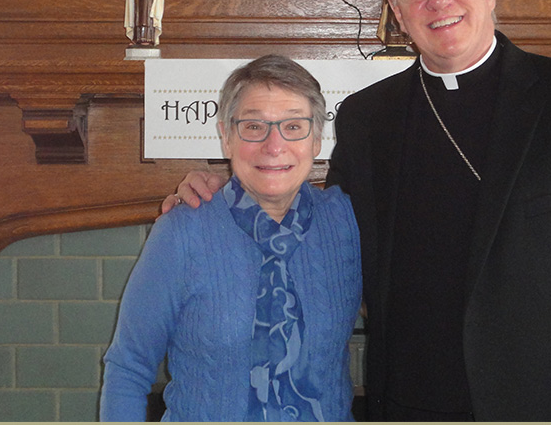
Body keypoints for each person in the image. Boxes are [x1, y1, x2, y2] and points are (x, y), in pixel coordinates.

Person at [163, 0, 551, 422]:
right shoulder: (369, 117)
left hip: (547, 407)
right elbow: (317, 229)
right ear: (397, 12)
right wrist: (232, 188)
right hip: (409, 402)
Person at [101, 55, 362, 421]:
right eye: (254, 127)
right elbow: (128, 366)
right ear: (226, 136)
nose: (274, 145)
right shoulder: (182, 232)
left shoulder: (346, 222)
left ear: (317, 139)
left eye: (293, 126)